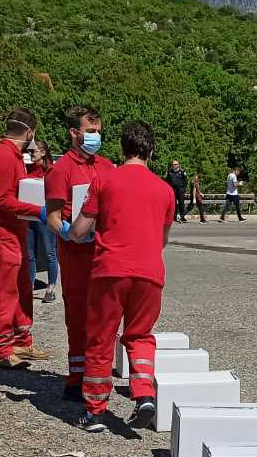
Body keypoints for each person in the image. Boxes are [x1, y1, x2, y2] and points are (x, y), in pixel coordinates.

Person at [70, 121, 175, 433]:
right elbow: (162, 239)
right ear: (151, 152)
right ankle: (144, 394)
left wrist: (71, 232)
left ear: (122, 148)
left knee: (101, 339)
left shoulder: (104, 180)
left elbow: (79, 231)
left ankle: (95, 412)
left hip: (110, 271)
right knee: (140, 336)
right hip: (150, 274)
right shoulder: (166, 190)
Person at [45, 104, 115, 399]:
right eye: (90, 132)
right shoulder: (61, 170)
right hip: (75, 254)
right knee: (77, 316)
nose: (95, 136)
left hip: (104, 253)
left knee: (104, 316)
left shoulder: (108, 167)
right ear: (74, 133)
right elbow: (52, 217)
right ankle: (76, 377)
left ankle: (98, 375)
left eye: (98, 132)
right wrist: (70, 235)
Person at [0, 108, 51, 369]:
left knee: (22, 289)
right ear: (30, 131)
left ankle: (21, 340)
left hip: (14, 233)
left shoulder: (12, 155)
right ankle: (2, 348)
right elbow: (2, 200)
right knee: (5, 292)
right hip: (2, 234)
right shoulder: (4, 156)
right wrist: (38, 211)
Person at [23, 138, 60, 303]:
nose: (30, 154)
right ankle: (29, 286)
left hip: (45, 217)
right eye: (30, 151)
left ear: (43, 153)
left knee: (50, 252)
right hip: (29, 216)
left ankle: (51, 287)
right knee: (29, 254)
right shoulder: (27, 169)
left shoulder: (52, 171)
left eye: (33, 151)